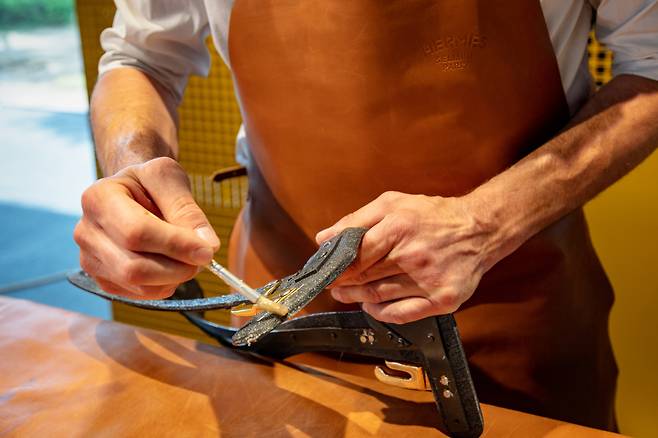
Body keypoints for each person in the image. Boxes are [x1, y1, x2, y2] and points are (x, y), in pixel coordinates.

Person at [73, 0, 658, 430]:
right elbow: (139, 56)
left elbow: (651, 68)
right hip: (281, 325)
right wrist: (134, 171)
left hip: (519, 326)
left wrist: (486, 222)